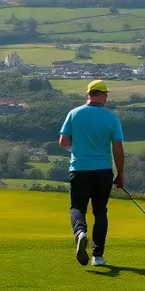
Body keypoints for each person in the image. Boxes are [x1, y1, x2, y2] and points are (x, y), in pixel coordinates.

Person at [58, 80, 125, 267]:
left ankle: (80, 233)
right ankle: (98, 256)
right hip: (103, 171)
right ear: (104, 96)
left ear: (88, 94)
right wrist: (120, 174)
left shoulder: (74, 114)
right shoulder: (112, 118)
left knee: (77, 207)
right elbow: (118, 150)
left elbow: (63, 142)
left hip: (79, 170)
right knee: (100, 211)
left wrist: (77, 149)